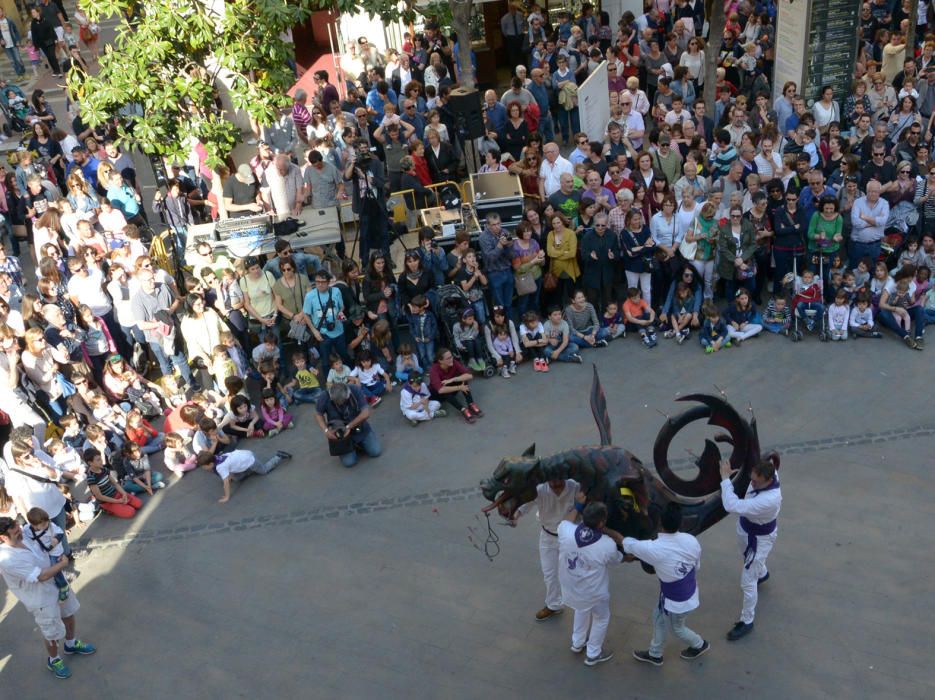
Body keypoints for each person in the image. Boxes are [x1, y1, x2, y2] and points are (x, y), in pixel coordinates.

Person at [0, 516, 96, 680]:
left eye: (17, 526)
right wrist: (62, 564)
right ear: (3, 537)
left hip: (57, 585)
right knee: (51, 632)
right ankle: (54, 660)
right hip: (40, 599)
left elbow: (45, 535)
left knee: (68, 614)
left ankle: (71, 644)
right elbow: (41, 576)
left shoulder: (24, 533)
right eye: (15, 532)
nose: (20, 531)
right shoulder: (7, 559)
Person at [624, 503, 710, 666]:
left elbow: (628, 543)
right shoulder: (691, 540)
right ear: (680, 523)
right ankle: (655, 653)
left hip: (677, 602)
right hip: (686, 592)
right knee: (658, 616)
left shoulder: (654, 548)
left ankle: (699, 644)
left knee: (677, 628)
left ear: (660, 524)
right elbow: (696, 565)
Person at [498, 477, 580, 621]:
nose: (555, 484)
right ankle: (554, 605)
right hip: (547, 536)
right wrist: (515, 517)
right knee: (549, 573)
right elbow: (525, 506)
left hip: (570, 538)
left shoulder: (575, 486)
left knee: (573, 573)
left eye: (559, 479)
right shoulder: (539, 489)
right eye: (552, 481)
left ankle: (583, 603)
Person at [719, 457, 782, 641]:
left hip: (759, 540)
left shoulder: (769, 499)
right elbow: (771, 456)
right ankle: (762, 573)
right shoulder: (769, 473)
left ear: (769, 481)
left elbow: (731, 505)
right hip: (746, 529)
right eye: (751, 478)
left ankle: (747, 620)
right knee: (745, 555)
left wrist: (725, 478)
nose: (752, 484)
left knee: (747, 580)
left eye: (756, 482)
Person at [557, 493, 624, 667]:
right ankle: (593, 653)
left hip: (570, 588)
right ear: (601, 523)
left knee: (581, 610)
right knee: (601, 618)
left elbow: (566, 520)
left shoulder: (567, 531)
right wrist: (616, 536)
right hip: (594, 593)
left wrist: (578, 505)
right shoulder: (606, 544)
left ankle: (577, 643)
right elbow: (617, 559)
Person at [315, 381, 382, 467]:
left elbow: (366, 413)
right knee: (349, 462)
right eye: (337, 402)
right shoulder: (324, 396)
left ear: (348, 395)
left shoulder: (354, 390)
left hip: (358, 427)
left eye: (343, 401)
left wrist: (348, 427)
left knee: (376, 451)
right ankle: (352, 446)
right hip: (340, 432)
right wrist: (326, 430)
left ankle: (358, 444)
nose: (341, 404)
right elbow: (318, 414)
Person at [345, 137, 389, 264]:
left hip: (378, 203)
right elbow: (346, 177)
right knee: (364, 235)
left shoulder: (376, 163)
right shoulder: (354, 164)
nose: (364, 151)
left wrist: (366, 177)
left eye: (366, 148)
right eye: (361, 149)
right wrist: (353, 164)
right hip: (363, 204)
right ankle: (364, 261)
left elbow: (381, 182)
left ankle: (387, 258)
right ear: (356, 150)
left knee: (384, 233)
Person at [197, 448, 293, 503]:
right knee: (237, 478)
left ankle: (278, 456)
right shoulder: (216, 457)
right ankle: (248, 470)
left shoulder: (220, 467)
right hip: (245, 454)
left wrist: (227, 496)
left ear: (210, 464)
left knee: (264, 470)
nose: (203, 469)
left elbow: (226, 483)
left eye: (204, 467)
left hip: (250, 461)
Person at [428, 346, 482, 423]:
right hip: (437, 395)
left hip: (449, 387)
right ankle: (463, 409)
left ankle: (470, 404)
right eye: (448, 358)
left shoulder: (453, 362)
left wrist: (452, 379)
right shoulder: (434, 370)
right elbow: (440, 390)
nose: (451, 359)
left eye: (451, 357)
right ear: (440, 360)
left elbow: (470, 375)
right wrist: (459, 387)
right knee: (446, 390)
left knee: (463, 380)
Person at [478, 213, 515, 322]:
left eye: (498, 223)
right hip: (494, 273)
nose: (497, 227)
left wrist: (509, 246)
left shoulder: (505, 232)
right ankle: (501, 328)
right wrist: (500, 245)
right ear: (488, 225)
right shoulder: (483, 237)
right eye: (494, 225)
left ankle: (510, 324)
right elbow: (490, 258)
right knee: (499, 304)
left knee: (509, 302)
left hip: (507, 271)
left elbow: (512, 256)